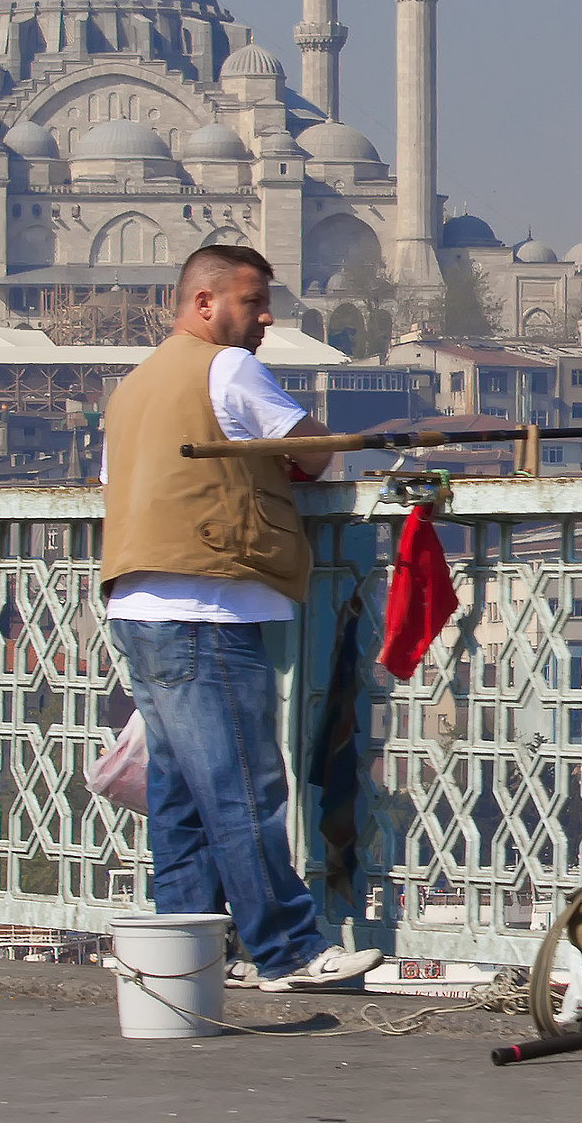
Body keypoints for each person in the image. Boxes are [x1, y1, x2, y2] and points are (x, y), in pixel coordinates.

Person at [100, 245, 382, 992]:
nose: (264, 321)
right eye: (253, 303)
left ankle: (187, 957)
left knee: (181, 796)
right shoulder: (225, 368)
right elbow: (313, 453)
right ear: (205, 303)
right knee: (242, 788)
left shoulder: (132, 386)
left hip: (138, 605)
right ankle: (287, 949)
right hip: (207, 606)